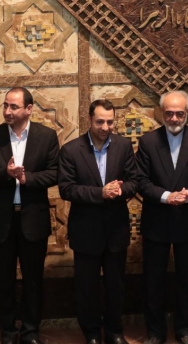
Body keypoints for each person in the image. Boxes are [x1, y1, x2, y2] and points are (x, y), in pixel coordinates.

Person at [0, 87, 59, 344]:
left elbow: (55, 173)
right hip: (2, 220)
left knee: (33, 280)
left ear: (29, 109)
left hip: (33, 218)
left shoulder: (47, 136)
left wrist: (26, 178)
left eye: (14, 106)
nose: (8, 111)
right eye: (5, 106)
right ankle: (9, 332)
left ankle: (31, 331)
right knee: (4, 280)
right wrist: (5, 174)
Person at [136, 91, 188, 344]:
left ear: (187, 113)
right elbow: (141, 181)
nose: (174, 118)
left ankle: (185, 330)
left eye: (180, 113)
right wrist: (167, 196)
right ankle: (155, 332)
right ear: (161, 113)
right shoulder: (148, 141)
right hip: (156, 220)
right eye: (169, 113)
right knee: (153, 280)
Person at [58, 99, 138, 344]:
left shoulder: (123, 146)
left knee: (116, 285)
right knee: (87, 287)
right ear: (89, 120)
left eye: (110, 122)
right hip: (85, 230)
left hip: (116, 229)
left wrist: (120, 191)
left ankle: (114, 332)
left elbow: (134, 182)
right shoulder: (71, 150)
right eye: (100, 121)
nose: (105, 127)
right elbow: (66, 189)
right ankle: (91, 333)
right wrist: (100, 193)